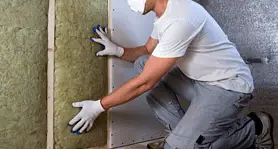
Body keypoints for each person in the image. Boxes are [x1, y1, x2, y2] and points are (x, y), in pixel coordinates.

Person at [68, 0, 275, 148]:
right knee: (143, 63)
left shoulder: (182, 17)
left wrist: (98, 106)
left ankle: (255, 127)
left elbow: (145, 83)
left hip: (230, 87)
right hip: (202, 82)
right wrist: (118, 51)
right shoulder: (163, 16)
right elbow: (148, 51)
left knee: (181, 147)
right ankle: (180, 138)